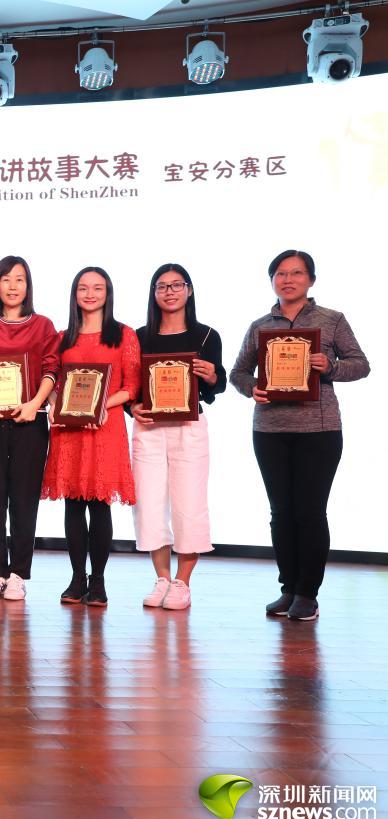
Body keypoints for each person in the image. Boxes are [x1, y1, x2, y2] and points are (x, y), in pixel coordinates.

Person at [230, 249, 369, 621]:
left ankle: (308, 593)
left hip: (319, 430)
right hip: (269, 430)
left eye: (296, 273)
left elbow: (361, 365)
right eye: (280, 273)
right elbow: (238, 372)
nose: (288, 280)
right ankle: (288, 589)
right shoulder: (260, 325)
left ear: (311, 279)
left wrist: (331, 366)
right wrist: (251, 388)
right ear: (272, 280)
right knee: (281, 513)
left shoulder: (332, 320)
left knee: (310, 512)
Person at [41, 267, 139, 607]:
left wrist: (100, 407)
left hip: (104, 428)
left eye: (98, 288)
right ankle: (76, 578)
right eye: (83, 288)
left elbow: (131, 387)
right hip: (69, 431)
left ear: (108, 293)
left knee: (99, 506)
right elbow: (52, 381)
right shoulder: (62, 337)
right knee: (73, 504)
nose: (90, 294)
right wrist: (54, 403)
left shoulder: (124, 335)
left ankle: (98, 581)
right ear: (74, 294)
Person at [130, 264, 226, 611]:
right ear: (153, 293)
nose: (169, 292)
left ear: (189, 290)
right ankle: (161, 578)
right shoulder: (138, 336)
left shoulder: (207, 336)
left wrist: (213, 375)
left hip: (189, 426)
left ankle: (183, 582)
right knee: (148, 504)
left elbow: (217, 385)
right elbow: (131, 386)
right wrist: (131, 408)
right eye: (161, 286)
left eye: (176, 285)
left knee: (189, 504)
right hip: (149, 428)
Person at [0, 256, 59, 602]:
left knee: (23, 500)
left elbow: (52, 368)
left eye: (19, 279)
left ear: (28, 285)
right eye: (6, 279)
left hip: (29, 421)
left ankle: (18, 574)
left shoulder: (43, 326)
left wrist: (35, 404)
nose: (13, 286)